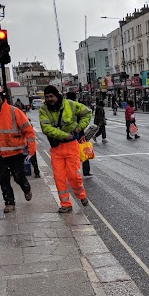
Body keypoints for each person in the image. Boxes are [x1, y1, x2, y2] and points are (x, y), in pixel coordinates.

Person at [39, 85, 91, 213]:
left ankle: (81, 195)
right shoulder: (44, 109)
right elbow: (46, 128)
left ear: (57, 95)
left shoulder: (70, 105)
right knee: (59, 177)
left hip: (71, 146)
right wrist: (64, 134)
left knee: (73, 176)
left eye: (51, 96)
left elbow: (87, 113)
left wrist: (79, 128)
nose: (49, 99)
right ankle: (65, 204)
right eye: (47, 97)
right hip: (56, 148)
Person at [0, 83, 35, 213]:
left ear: (2, 97)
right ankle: (9, 202)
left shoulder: (14, 111)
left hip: (15, 152)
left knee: (18, 176)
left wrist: (31, 149)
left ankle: (26, 188)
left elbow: (29, 131)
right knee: (3, 179)